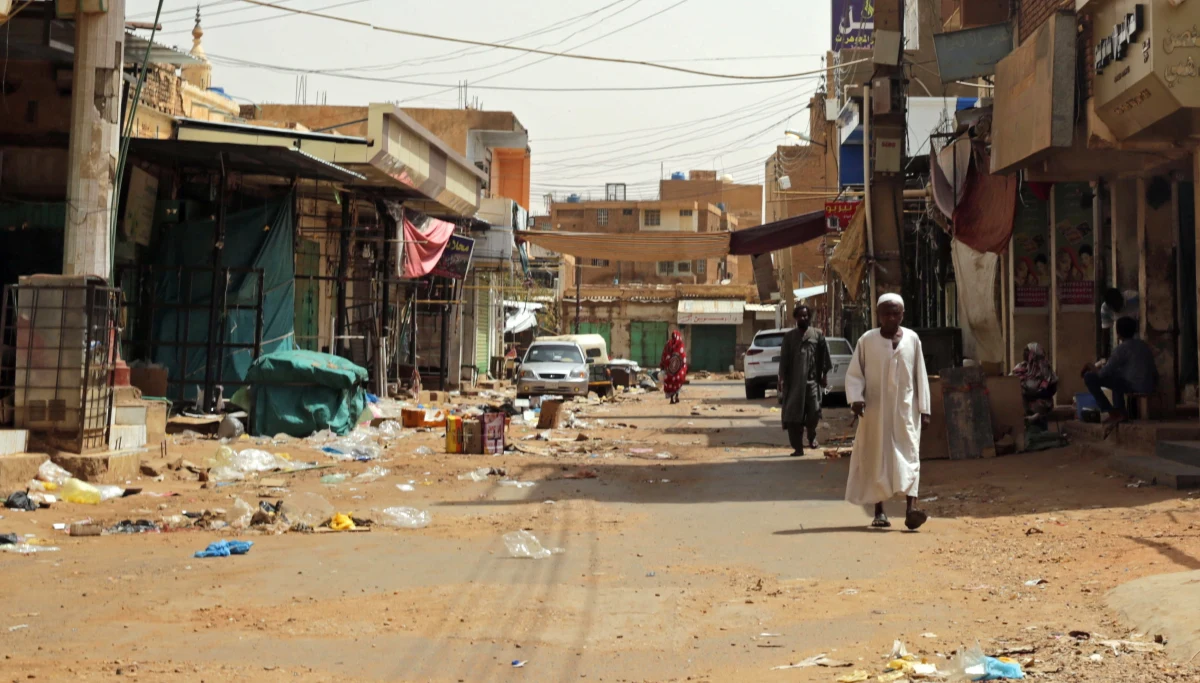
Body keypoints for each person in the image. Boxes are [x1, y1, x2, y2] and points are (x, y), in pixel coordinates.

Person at [845, 293, 932, 530]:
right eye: (886, 313)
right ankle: (879, 511)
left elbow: (920, 375)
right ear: (878, 315)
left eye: (895, 313)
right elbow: (854, 374)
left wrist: (925, 409)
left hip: (906, 411)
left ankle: (911, 509)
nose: (891, 318)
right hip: (875, 411)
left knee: (910, 456)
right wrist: (856, 399)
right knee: (877, 457)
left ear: (902, 315)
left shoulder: (912, 339)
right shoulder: (867, 340)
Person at [1082, 316, 1157, 424]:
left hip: (1134, 386)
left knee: (1089, 377)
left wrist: (1091, 367)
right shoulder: (1143, 345)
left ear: (1118, 333)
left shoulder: (1122, 348)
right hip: (1150, 385)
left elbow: (1103, 374)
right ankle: (1120, 412)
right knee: (1117, 378)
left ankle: (1113, 413)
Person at [779, 304, 832, 457]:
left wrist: (824, 375)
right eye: (801, 315)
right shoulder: (789, 337)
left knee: (814, 411)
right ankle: (798, 447)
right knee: (793, 416)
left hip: (812, 382)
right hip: (793, 383)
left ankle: (811, 435)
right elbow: (784, 360)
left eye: (806, 315)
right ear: (796, 318)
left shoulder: (817, 335)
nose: (804, 318)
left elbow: (824, 356)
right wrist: (781, 379)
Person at [1011, 342, 1058, 428]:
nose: (1025, 355)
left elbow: (1052, 389)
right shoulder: (1022, 367)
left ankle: (1037, 423)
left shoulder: (1045, 369)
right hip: (1025, 399)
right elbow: (1011, 382)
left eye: (1027, 352)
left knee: (1039, 406)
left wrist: (1037, 394)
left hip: (1041, 400)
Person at [660, 330, 688, 405]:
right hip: (679, 370)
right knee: (677, 382)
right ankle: (677, 396)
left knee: (670, 383)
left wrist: (662, 365)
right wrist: (684, 367)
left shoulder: (668, 344)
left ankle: (672, 398)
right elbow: (683, 356)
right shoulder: (680, 344)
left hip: (669, 370)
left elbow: (664, 355)